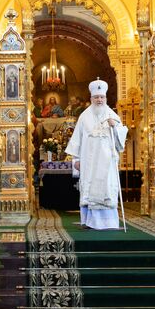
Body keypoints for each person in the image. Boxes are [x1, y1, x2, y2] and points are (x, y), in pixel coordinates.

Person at [65, 79, 128, 230]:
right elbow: (77, 139)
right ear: (91, 99)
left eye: (102, 97)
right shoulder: (84, 117)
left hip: (107, 162)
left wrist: (115, 127)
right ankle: (89, 222)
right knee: (90, 188)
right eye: (96, 97)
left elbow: (121, 137)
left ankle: (108, 222)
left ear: (105, 99)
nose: (99, 100)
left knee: (106, 188)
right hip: (89, 161)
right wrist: (77, 159)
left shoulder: (112, 115)